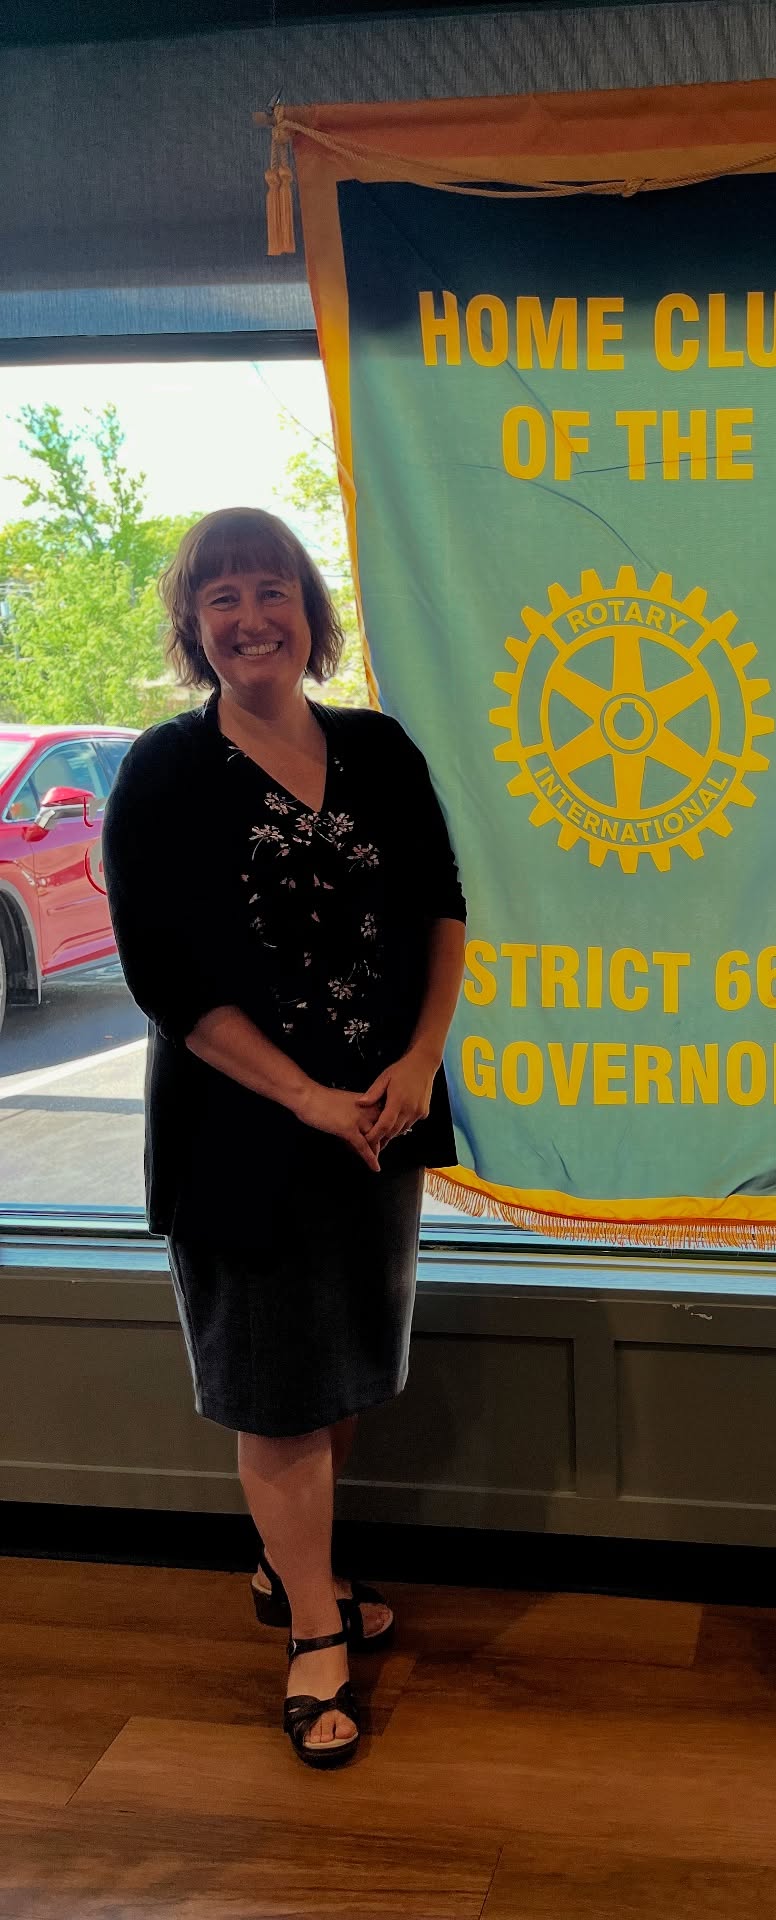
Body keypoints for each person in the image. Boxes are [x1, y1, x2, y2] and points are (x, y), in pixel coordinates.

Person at [103, 508, 467, 1770]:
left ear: (310, 613)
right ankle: (317, 1631)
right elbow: (165, 977)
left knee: (346, 1370)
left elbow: (441, 910)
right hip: (240, 1136)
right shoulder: (162, 771)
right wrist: (304, 1097)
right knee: (277, 1398)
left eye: (273, 591)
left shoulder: (376, 749)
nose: (252, 617)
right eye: (223, 600)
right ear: (194, 631)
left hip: (379, 1119)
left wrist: (416, 1061)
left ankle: (285, 1569)